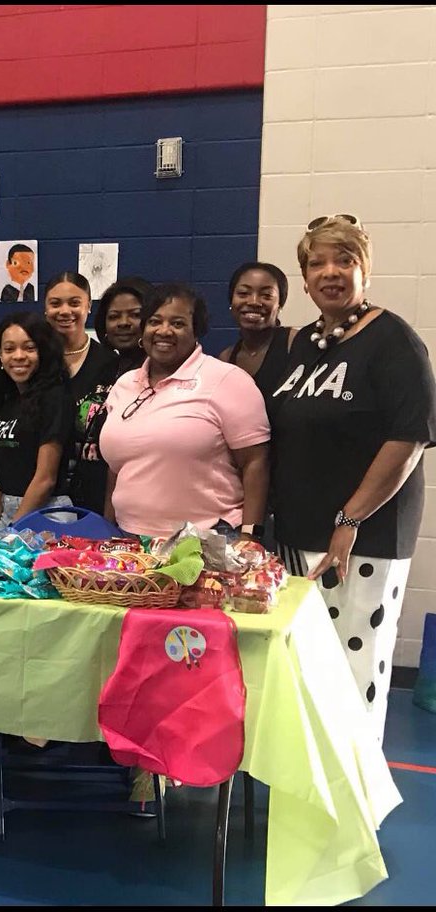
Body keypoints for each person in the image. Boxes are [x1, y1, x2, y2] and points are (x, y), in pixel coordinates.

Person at [271, 214, 436, 742]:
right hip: (298, 536)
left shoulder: (394, 341)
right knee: (307, 667)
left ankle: (351, 783)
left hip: (362, 540)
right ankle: (308, 779)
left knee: (352, 671)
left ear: (365, 269)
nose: (330, 272)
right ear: (304, 279)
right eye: (317, 263)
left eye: (344, 260)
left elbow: (408, 439)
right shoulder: (305, 343)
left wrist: (349, 520)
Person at [100, 284, 269, 539]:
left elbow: (255, 462)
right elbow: (117, 468)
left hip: (208, 539)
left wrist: (250, 536)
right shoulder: (124, 385)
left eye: (177, 324)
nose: (164, 331)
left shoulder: (227, 380)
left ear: (196, 331)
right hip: (129, 539)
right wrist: (107, 530)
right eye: (154, 321)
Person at [0, 313, 72, 531]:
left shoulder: (54, 397)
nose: (18, 356)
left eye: (29, 348)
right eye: (9, 349)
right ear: (0, 355)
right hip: (10, 513)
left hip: (46, 513)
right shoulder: (10, 401)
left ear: (43, 351)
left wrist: (12, 531)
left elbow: (45, 479)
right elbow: (5, 474)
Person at [44, 271, 117, 515]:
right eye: (55, 303)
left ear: (88, 306)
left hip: (96, 493)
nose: (65, 311)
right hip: (45, 496)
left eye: (74, 303)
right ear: (45, 309)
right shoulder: (34, 363)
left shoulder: (111, 363)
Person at [218, 261, 294, 404]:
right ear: (231, 301)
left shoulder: (295, 343)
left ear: (280, 305)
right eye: (243, 293)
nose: (254, 302)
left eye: (266, 295)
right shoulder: (226, 359)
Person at [96, 276, 151, 378]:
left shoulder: (159, 371)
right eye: (114, 316)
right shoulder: (100, 369)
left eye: (135, 315)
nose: (123, 323)